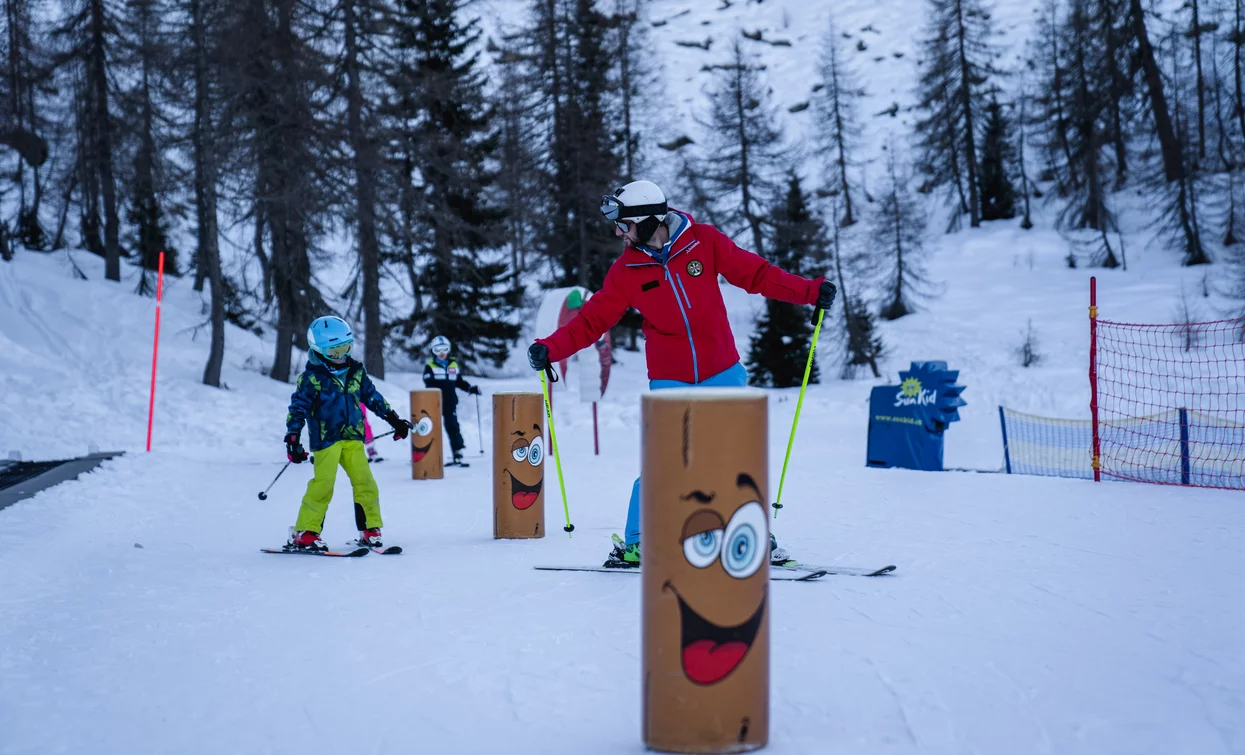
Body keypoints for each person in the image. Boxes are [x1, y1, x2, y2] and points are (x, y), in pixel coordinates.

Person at [526, 180, 836, 568]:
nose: (619, 232)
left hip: (722, 369)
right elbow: (592, 321)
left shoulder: (703, 242)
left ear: (648, 219)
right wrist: (550, 348)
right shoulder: (626, 270)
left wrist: (810, 291)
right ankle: (637, 543)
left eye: (624, 224)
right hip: (670, 378)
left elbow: (756, 274)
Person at [283, 316, 412, 551]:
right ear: (318, 350)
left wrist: (395, 420)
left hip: (353, 437)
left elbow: (373, 397)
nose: (341, 355)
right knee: (323, 485)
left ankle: (370, 529)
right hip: (326, 440)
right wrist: (293, 438)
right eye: (334, 351)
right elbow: (298, 408)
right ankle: (306, 532)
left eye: (346, 347)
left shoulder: (355, 371)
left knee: (365, 483)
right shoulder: (312, 378)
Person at [422, 335, 481, 465]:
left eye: (444, 349)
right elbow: (427, 382)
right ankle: (425, 451)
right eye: (438, 350)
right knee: (431, 427)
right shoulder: (430, 366)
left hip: (449, 402)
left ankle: (457, 452)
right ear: (433, 351)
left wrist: (470, 388)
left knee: (453, 426)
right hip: (434, 402)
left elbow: (458, 382)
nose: (442, 353)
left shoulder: (453, 365)